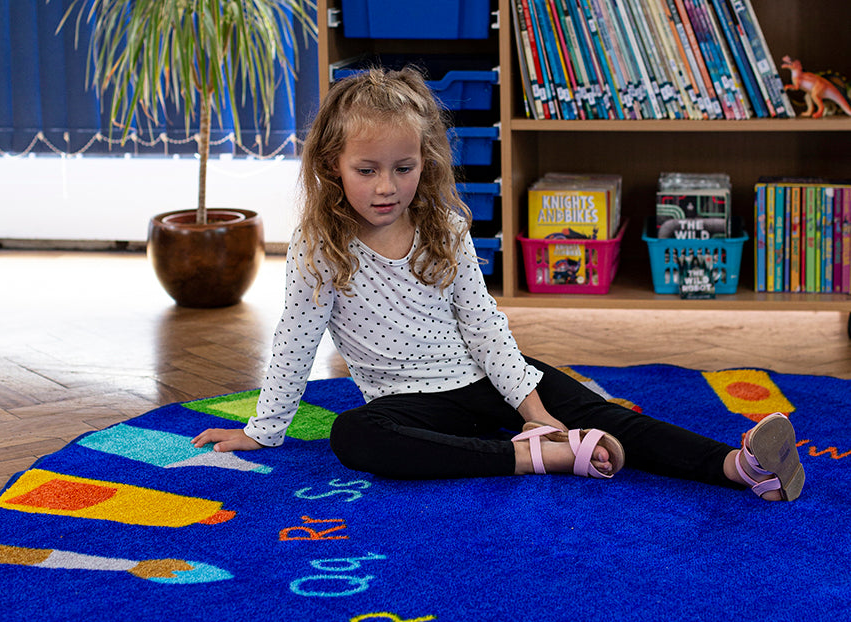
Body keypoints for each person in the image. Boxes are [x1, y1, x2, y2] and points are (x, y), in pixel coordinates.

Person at [191, 67, 804, 502]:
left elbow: (485, 327)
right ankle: (534, 458)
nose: (387, 187)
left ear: (423, 164)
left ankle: (737, 466)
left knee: (601, 412)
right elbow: (294, 341)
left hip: (488, 381)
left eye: (403, 169)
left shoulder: (446, 229)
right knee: (354, 435)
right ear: (332, 167)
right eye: (367, 170)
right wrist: (261, 431)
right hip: (409, 406)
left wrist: (533, 410)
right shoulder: (318, 249)